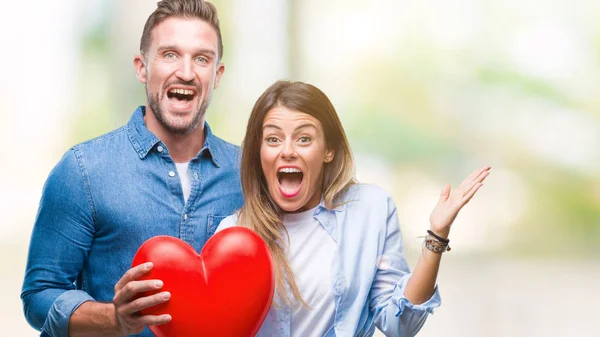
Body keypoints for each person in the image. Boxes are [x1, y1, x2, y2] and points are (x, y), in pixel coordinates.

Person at [21, 1, 243, 336]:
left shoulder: (246, 174)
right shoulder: (83, 170)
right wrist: (114, 317)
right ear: (142, 67)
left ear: (217, 75)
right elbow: (38, 296)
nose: (186, 71)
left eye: (202, 58)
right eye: (170, 54)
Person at [217, 80, 491, 337]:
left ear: (329, 150)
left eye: (304, 139)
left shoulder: (370, 210)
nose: (287, 151)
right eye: (273, 139)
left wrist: (437, 235)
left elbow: (400, 325)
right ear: (258, 152)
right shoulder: (233, 234)